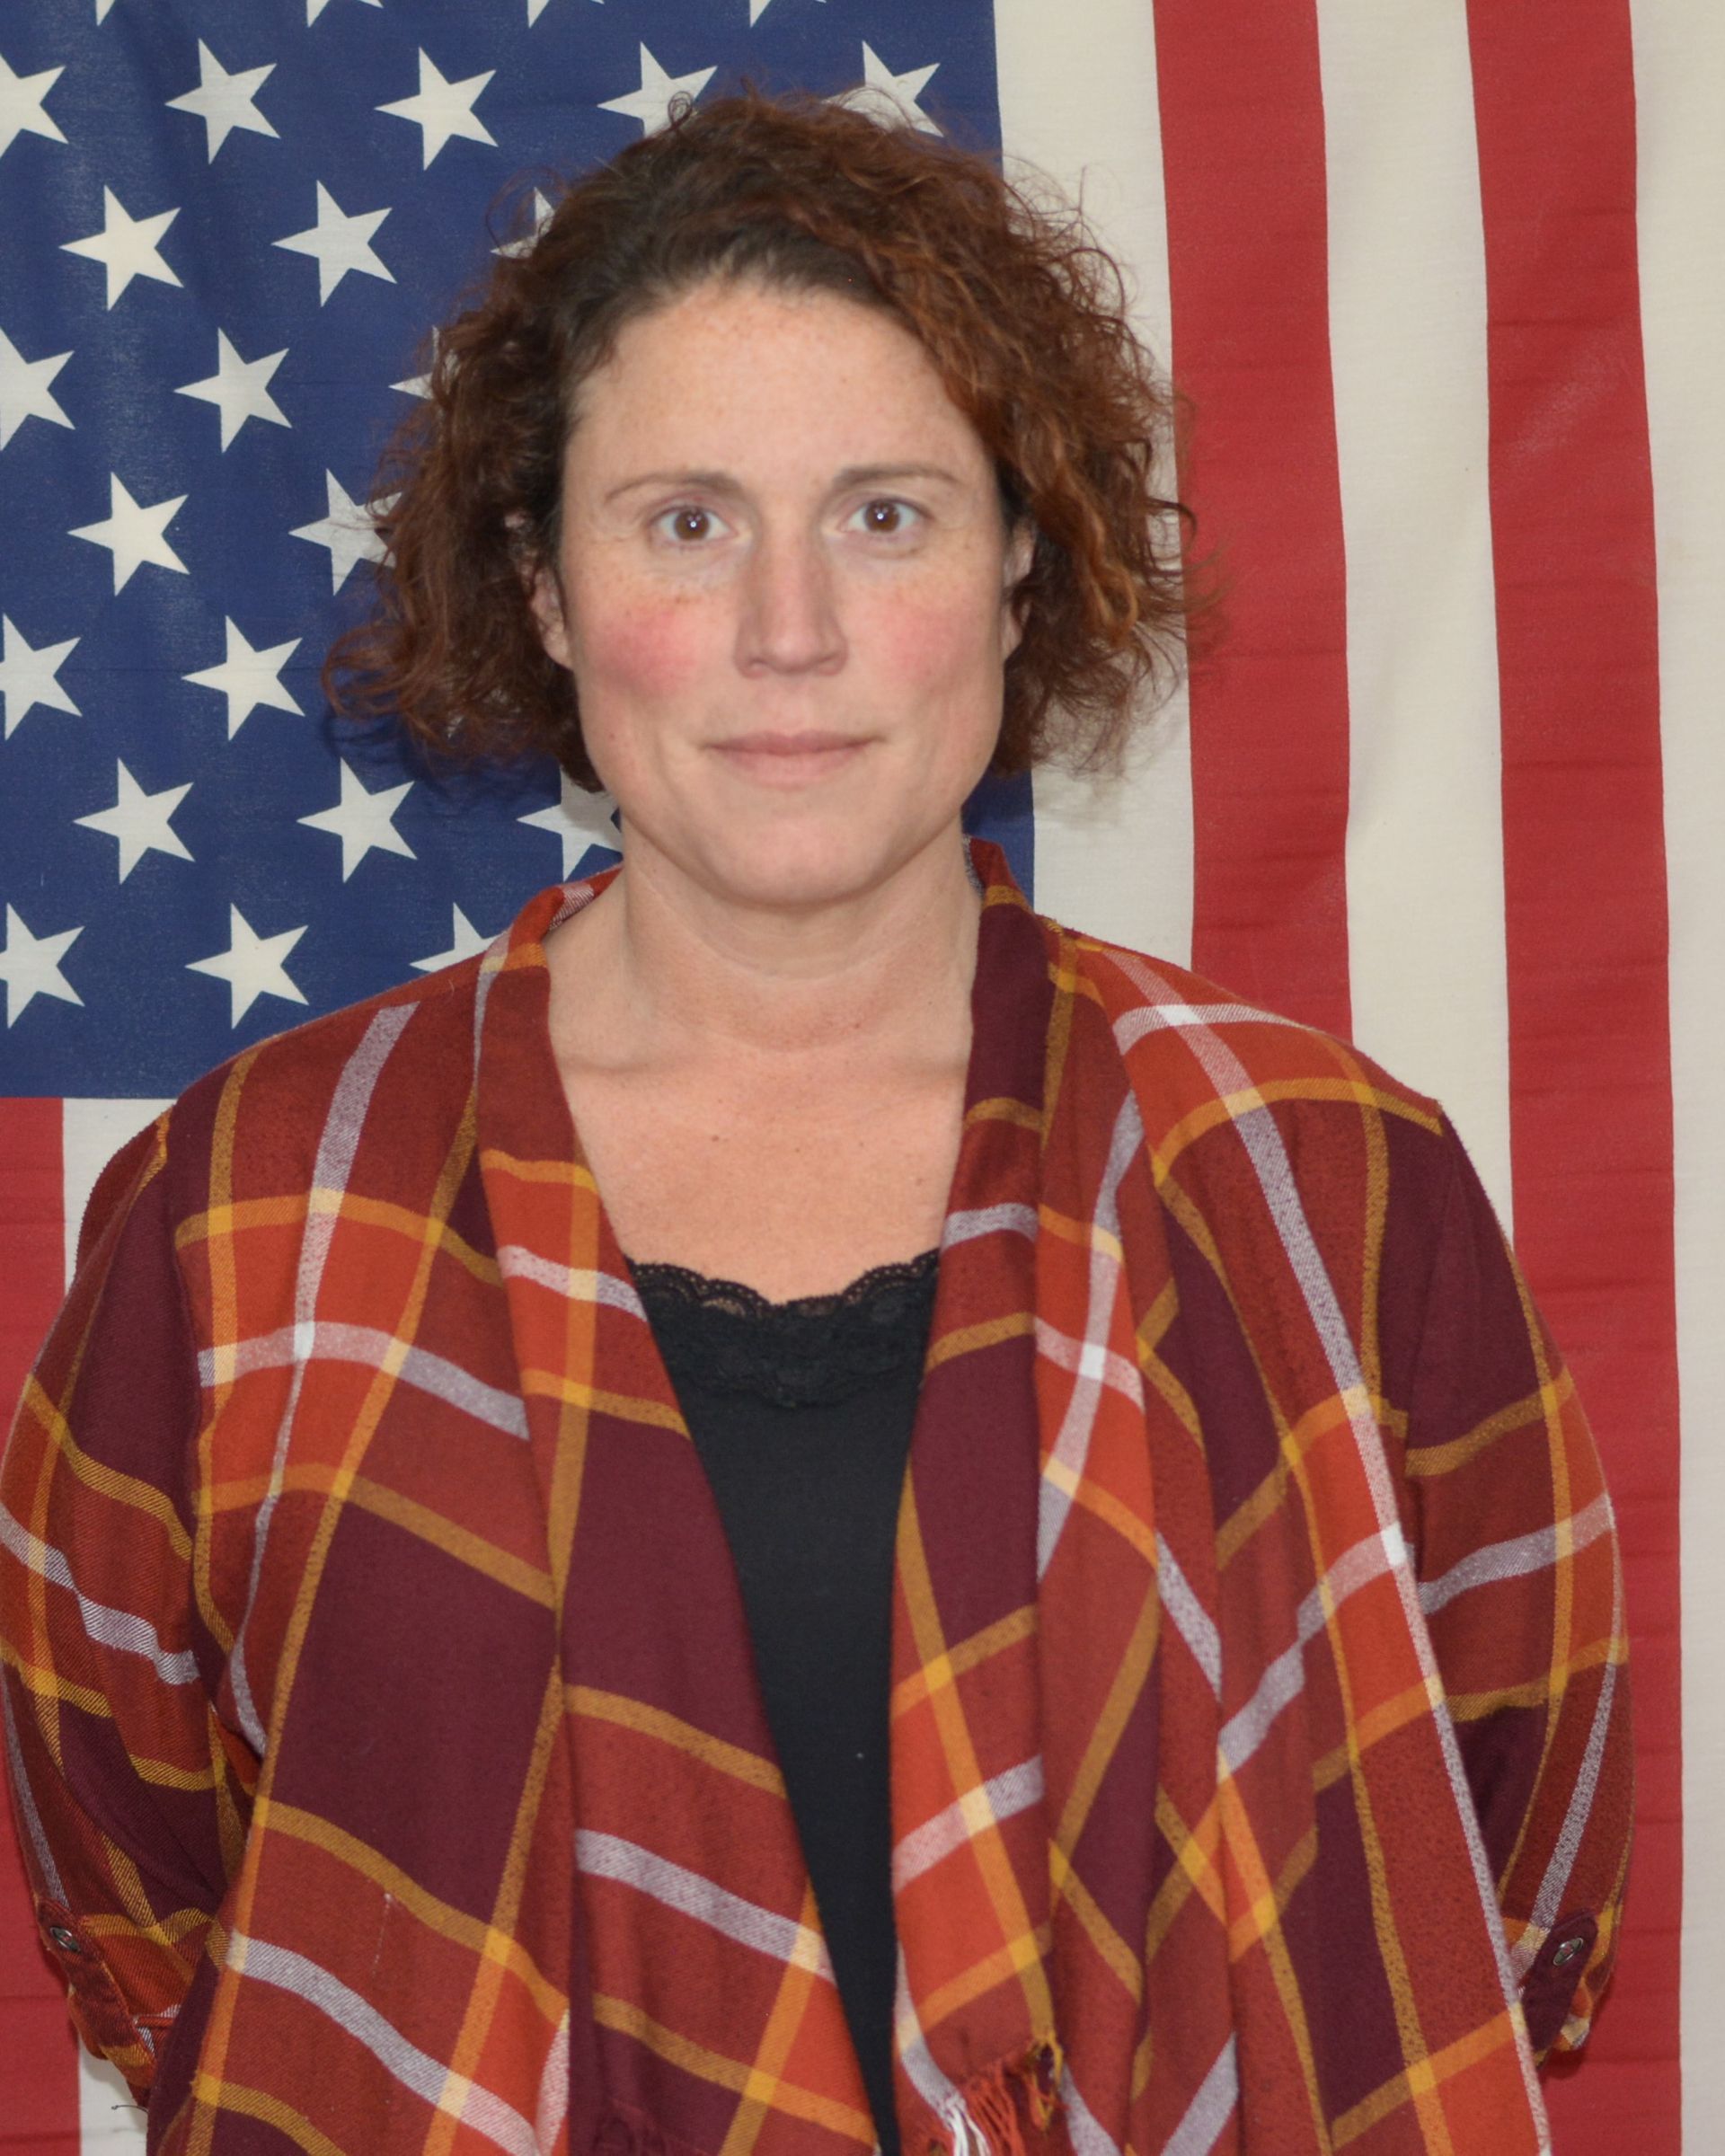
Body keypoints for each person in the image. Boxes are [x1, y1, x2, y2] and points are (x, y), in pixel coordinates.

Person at [0, 86, 1630, 2156]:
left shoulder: (1328, 1185)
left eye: (887, 514)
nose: (791, 629)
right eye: (687, 520)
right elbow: (150, 1884)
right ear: (547, 585)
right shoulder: (240, 1214)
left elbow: (1493, 1835)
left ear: (1024, 565)